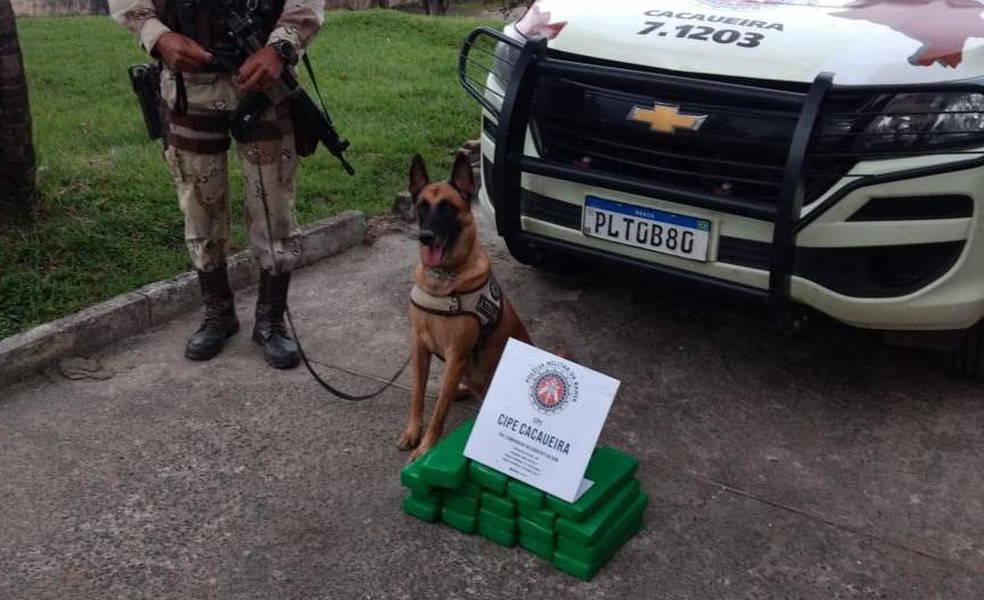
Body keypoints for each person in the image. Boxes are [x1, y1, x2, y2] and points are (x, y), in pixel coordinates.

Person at [109, 0, 325, 369]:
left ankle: (271, 319)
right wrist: (158, 37)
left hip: (264, 83)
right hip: (190, 85)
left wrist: (281, 47)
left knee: (273, 205)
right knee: (199, 203)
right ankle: (218, 312)